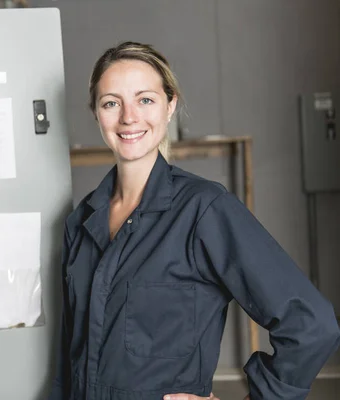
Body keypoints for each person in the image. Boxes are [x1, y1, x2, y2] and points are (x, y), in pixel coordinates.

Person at [48, 41, 340, 400]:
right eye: (111, 102)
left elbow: (311, 324)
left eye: (145, 100)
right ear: (96, 113)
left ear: (170, 106)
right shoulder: (81, 222)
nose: (128, 117)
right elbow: (68, 358)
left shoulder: (204, 210)